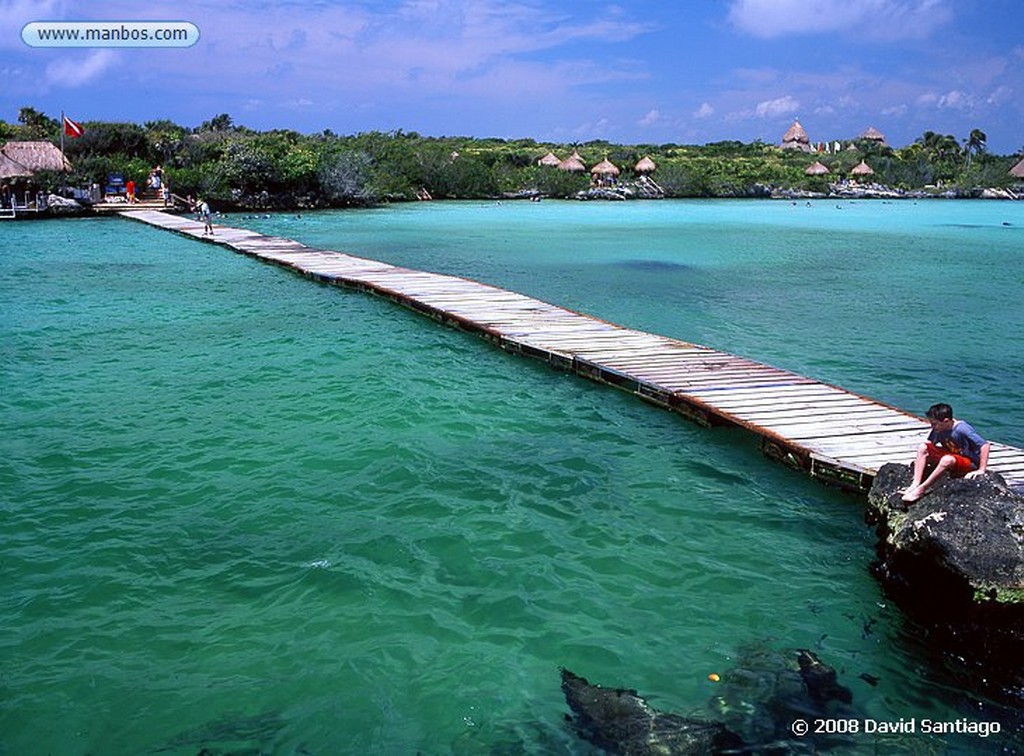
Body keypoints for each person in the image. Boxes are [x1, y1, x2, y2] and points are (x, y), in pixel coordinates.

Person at [902, 403, 990, 503]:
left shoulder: (962, 429)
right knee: (923, 447)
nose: (932, 426)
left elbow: (985, 445)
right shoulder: (938, 429)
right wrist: (921, 460)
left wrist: (982, 469)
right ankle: (915, 483)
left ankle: (921, 489)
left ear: (946, 421)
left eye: (934, 424)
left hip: (968, 462)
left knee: (946, 460)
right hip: (952, 455)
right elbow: (930, 445)